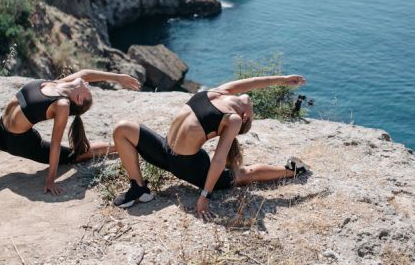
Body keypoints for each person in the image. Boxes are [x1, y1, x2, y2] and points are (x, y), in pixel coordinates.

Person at [111, 75, 309, 218]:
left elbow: (219, 159)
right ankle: (138, 188)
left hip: (190, 167)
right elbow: (252, 82)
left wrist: (204, 195)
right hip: (165, 150)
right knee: (122, 129)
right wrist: (283, 79)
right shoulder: (220, 92)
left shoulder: (230, 116)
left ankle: (291, 171)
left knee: (241, 175)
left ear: (245, 117)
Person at [0, 69, 140, 195]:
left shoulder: (62, 104)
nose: (88, 85)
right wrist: (117, 77)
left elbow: (55, 143)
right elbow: (86, 74)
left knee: (76, 155)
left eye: (88, 90)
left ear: (78, 100)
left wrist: (50, 179)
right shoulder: (57, 85)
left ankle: (119, 146)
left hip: (22, 143)